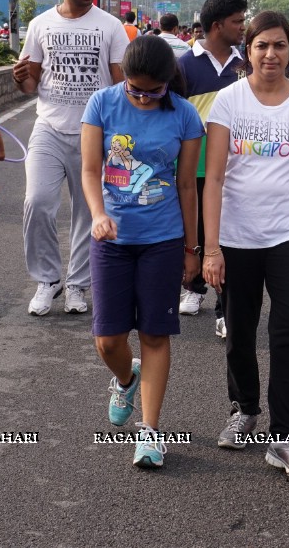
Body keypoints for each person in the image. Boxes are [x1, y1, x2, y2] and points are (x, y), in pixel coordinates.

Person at [202, 11, 289, 478]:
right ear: (249, 50)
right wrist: (211, 248)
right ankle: (244, 408)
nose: (271, 54)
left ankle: (286, 438)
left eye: (279, 45)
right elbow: (213, 178)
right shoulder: (228, 101)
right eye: (262, 45)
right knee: (239, 327)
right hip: (237, 237)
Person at [80, 35, 202, 469]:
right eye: (135, 90)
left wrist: (192, 248)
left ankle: (149, 433)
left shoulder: (186, 116)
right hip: (111, 240)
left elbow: (187, 185)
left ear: (169, 83)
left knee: (154, 334)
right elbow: (91, 169)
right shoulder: (101, 103)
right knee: (107, 340)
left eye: (153, 91)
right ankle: (126, 379)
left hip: (163, 239)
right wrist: (97, 214)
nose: (144, 98)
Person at [14, 0, 129, 316]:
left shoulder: (110, 26)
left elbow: (120, 83)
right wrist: (21, 79)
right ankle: (47, 279)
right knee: (37, 201)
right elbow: (31, 83)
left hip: (93, 132)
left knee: (87, 213)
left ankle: (78, 284)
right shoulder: (41, 25)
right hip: (48, 127)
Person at [176, 0, 247, 337]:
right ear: (218, 26)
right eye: (238, 21)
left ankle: (225, 310)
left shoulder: (246, 65)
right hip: (194, 169)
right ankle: (193, 288)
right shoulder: (183, 65)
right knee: (198, 232)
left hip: (236, 169)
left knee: (229, 238)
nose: (243, 27)